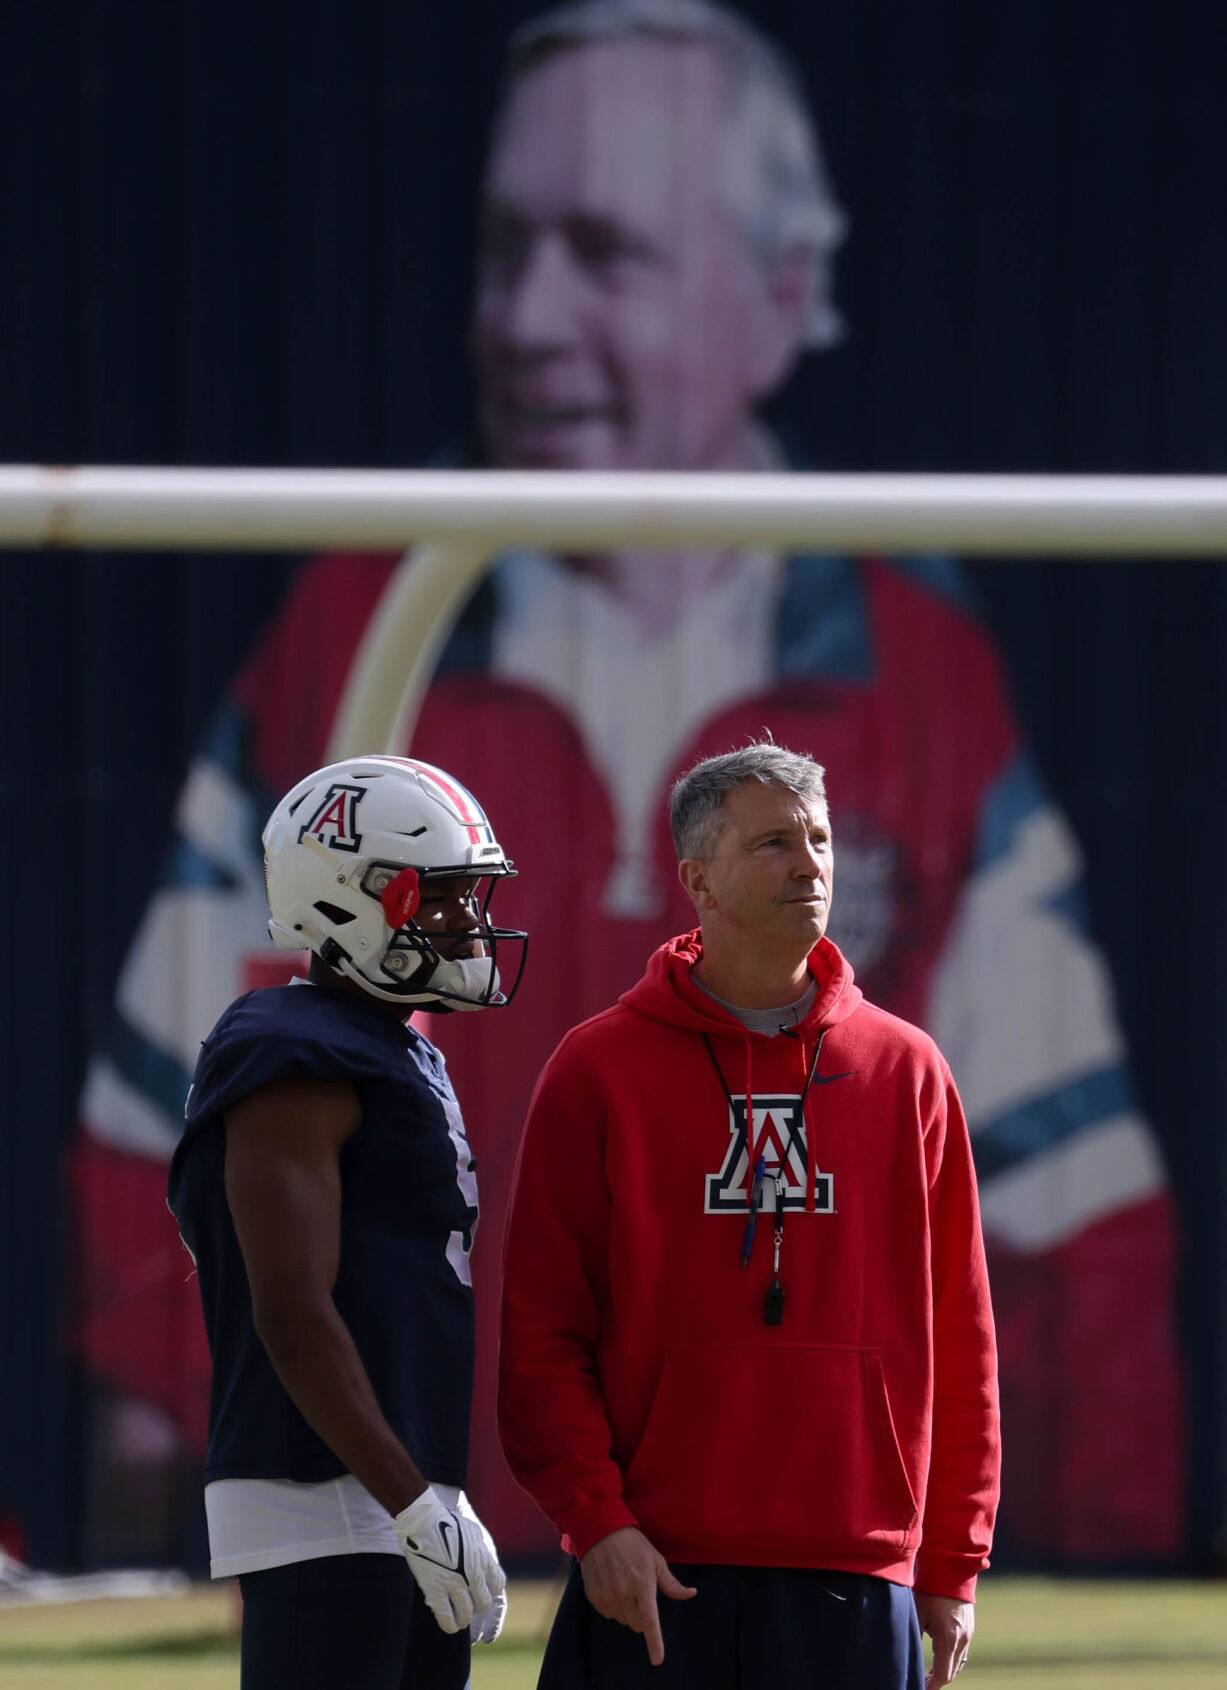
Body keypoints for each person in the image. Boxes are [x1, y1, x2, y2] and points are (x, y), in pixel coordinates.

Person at [76, 0, 1180, 1566]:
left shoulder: (916, 672)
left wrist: (1038, 1558)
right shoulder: (339, 627)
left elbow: (1073, 1259)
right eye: (505, 246)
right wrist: (239, 1508)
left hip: (776, 1540)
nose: (527, 315)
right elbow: (146, 1215)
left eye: (602, 251)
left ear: (780, 291)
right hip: (430, 1519)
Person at [499, 742, 999, 1690]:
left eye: (818, 839)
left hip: (854, 1567)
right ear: (698, 880)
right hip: (650, 1569)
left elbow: (960, 1336)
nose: (809, 864)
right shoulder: (597, 1068)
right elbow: (541, 1334)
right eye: (773, 842)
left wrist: (951, 1563)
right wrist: (597, 1521)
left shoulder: (907, 1071)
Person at [166, 754, 527, 1689]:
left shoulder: (387, 1044)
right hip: (319, 1492)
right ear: (346, 898)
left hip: (384, 1483)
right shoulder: (292, 1048)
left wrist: (427, 1493)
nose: (470, 923)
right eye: (441, 897)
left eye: (470, 897)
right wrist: (409, 1500)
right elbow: (290, 1309)